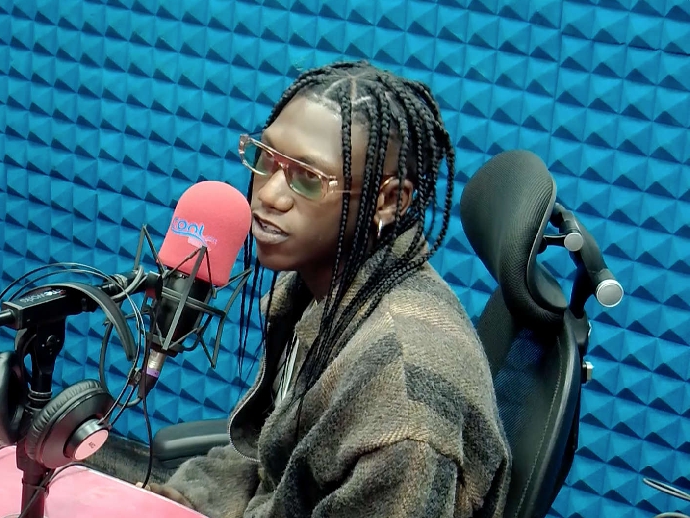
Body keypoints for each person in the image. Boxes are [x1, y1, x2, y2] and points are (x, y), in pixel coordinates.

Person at [138, 60, 512, 517]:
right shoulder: (322, 285)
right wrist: (191, 501)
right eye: (266, 158)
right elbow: (273, 457)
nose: (268, 196)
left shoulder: (403, 410)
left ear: (388, 201)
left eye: (308, 178)